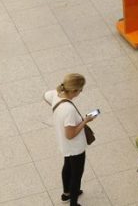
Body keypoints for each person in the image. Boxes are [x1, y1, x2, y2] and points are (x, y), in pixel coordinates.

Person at [43, 74, 95, 206]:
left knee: (67, 166)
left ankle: (66, 194)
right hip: (75, 147)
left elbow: (45, 96)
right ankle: (73, 202)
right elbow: (70, 134)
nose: (80, 92)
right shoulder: (69, 110)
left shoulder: (56, 94)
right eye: (80, 89)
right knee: (76, 175)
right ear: (74, 91)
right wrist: (85, 121)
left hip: (64, 145)